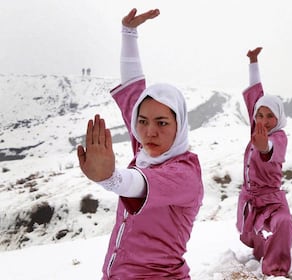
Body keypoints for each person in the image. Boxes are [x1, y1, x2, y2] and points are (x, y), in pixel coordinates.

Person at [77, 8, 204, 279]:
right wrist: (128, 33)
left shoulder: (184, 174)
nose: (149, 132)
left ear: (179, 125)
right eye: (142, 121)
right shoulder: (147, 150)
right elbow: (134, 88)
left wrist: (109, 178)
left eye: (162, 123)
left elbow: (137, 183)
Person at [236, 47, 292, 277]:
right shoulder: (257, 129)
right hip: (252, 200)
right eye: (260, 116)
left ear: (278, 117)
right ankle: (263, 253)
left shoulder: (277, 136)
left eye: (270, 116)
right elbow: (255, 97)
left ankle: (277, 271)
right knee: (259, 246)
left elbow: (272, 150)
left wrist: (264, 148)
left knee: (283, 224)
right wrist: (253, 62)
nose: (264, 120)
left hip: (272, 201)